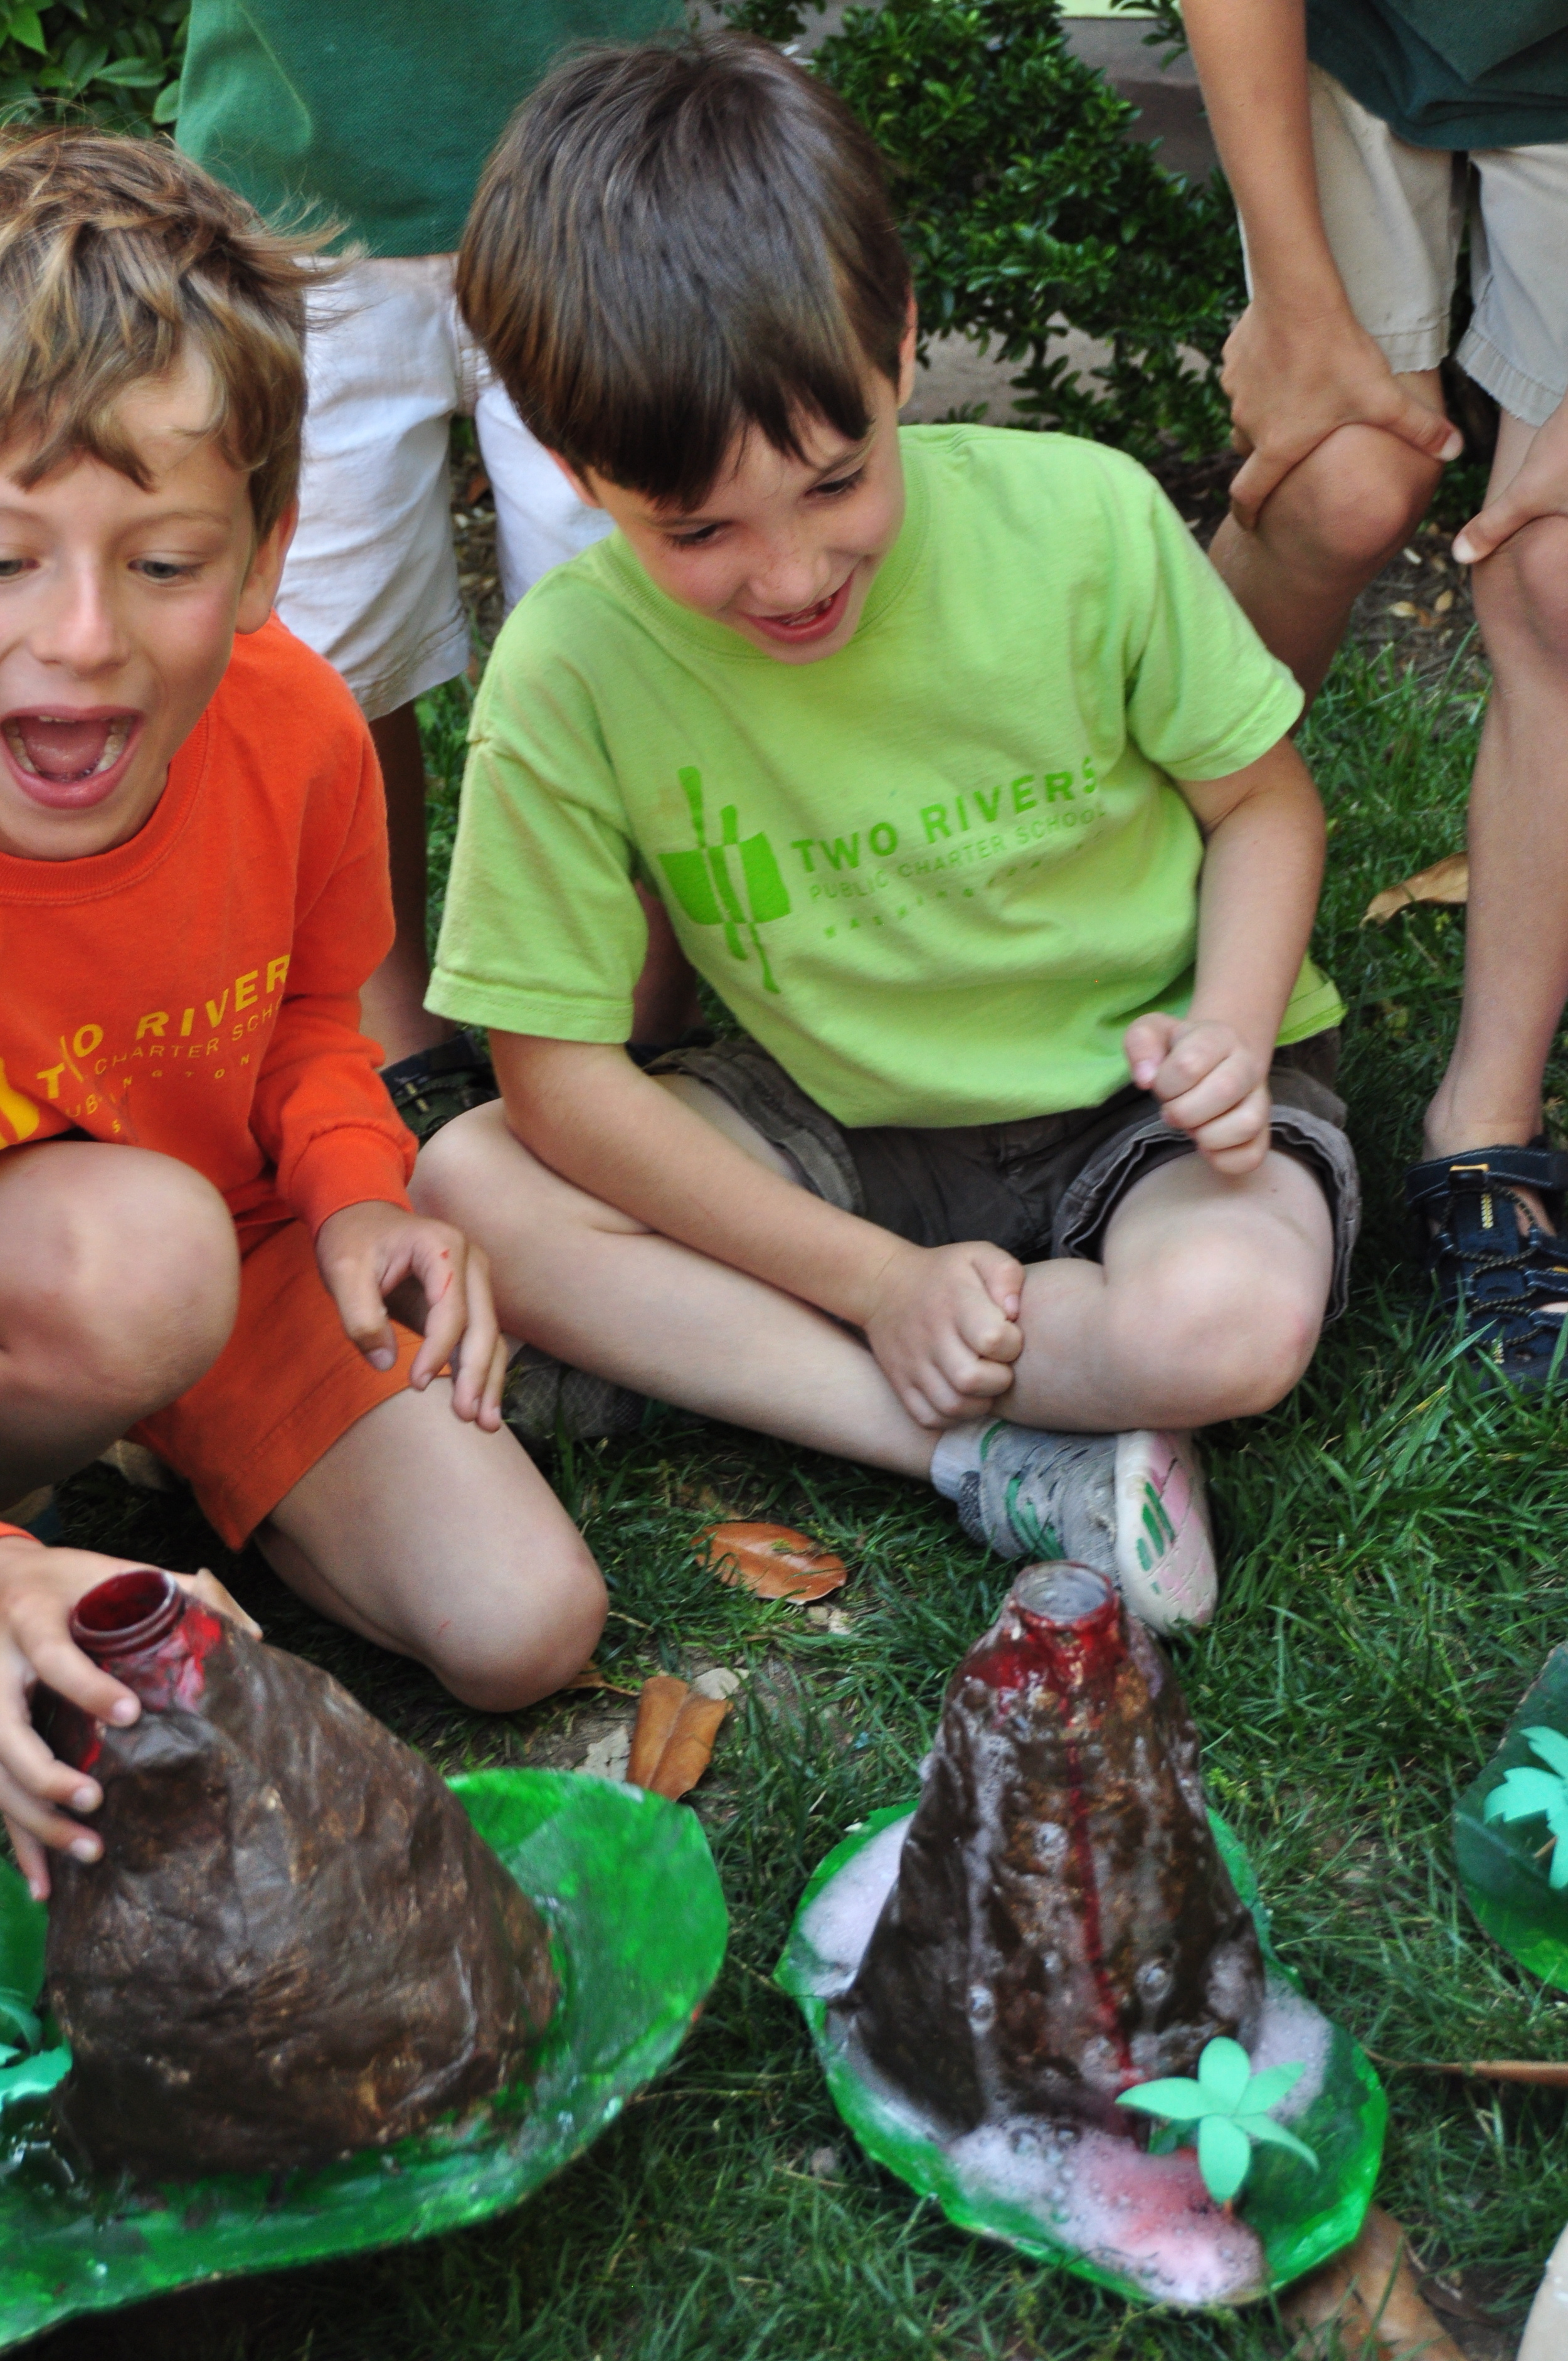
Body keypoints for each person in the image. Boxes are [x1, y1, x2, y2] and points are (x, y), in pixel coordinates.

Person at [413, 34, 1361, 1638]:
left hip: (1132, 1107)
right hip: (826, 1130)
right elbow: (552, 1080)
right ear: (575, 471)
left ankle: (718, 1355)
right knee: (469, 1183)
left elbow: (1260, 803)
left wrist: (1229, 1024)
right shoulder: (567, 669)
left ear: (901, 341)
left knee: (1231, 1328)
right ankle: (977, 1452)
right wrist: (874, 1285)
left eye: (833, 482)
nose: (783, 577)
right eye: (695, 530)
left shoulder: (1085, 521)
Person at [0, 130, 605, 1900]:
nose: (81, 638)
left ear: (268, 555)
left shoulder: (302, 731)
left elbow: (310, 1024)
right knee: (139, 1260)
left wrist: (357, 1190)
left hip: (224, 1248)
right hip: (112, 1263)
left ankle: (146, 1437)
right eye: (5, 557)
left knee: (526, 1622)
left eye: (165, 563)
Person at [176, 0, 700, 1110]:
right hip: (296, 174)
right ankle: (385, 1031)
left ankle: (645, 1024)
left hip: (604, 154)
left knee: (651, 622)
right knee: (323, 654)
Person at [1182, 0, 1568, 1389]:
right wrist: (1293, 301)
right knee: (1335, 477)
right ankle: (1101, 938)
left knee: (1558, 575)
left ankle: (1480, 1117)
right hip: (1340, 32)